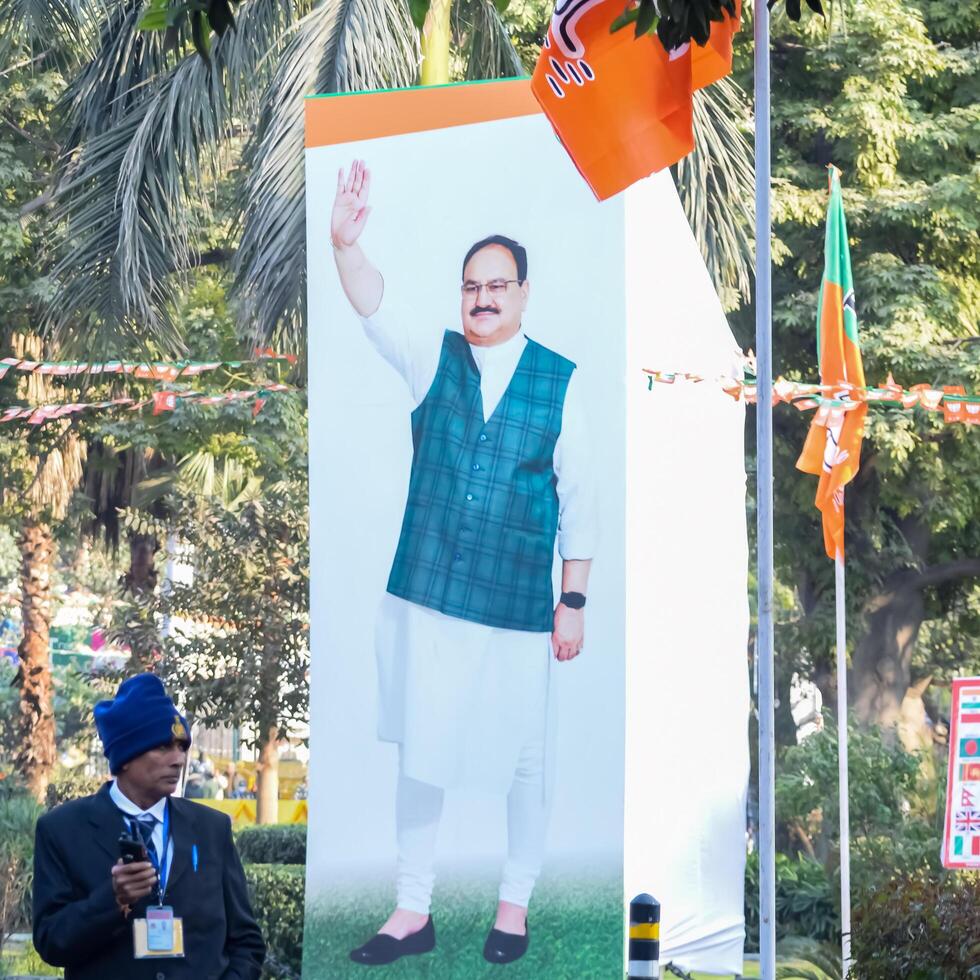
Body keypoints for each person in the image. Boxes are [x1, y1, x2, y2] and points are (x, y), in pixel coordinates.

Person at [332, 160, 597, 966]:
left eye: (498, 286)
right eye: (471, 286)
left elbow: (580, 499)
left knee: (525, 758)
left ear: (522, 294)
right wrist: (345, 245)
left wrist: (572, 602)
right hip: (429, 595)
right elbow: (373, 304)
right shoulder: (431, 356)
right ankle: (413, 910)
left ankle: (511, 908)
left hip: (519, 604)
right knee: (424, 748)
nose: (482, 298)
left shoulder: (561, 383)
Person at [32, 673, 265, 979]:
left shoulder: (212, 829)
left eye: (182, 747)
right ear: (125, 757)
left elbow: (246, 942)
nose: (178, 759)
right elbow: (51, 942)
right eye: (163, 748)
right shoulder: (62, 830)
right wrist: (112, 899)